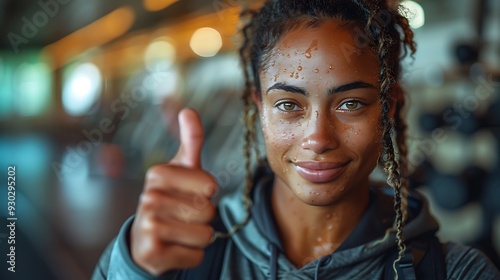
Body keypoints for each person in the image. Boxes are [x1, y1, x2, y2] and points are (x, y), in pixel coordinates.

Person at [92, 0, 500, 279]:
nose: (318, 138)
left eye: (351, 104)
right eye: (289, 105)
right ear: (259, 107)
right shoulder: (186, 253)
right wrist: (137, 267)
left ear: (389, 107)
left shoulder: (456, 271)